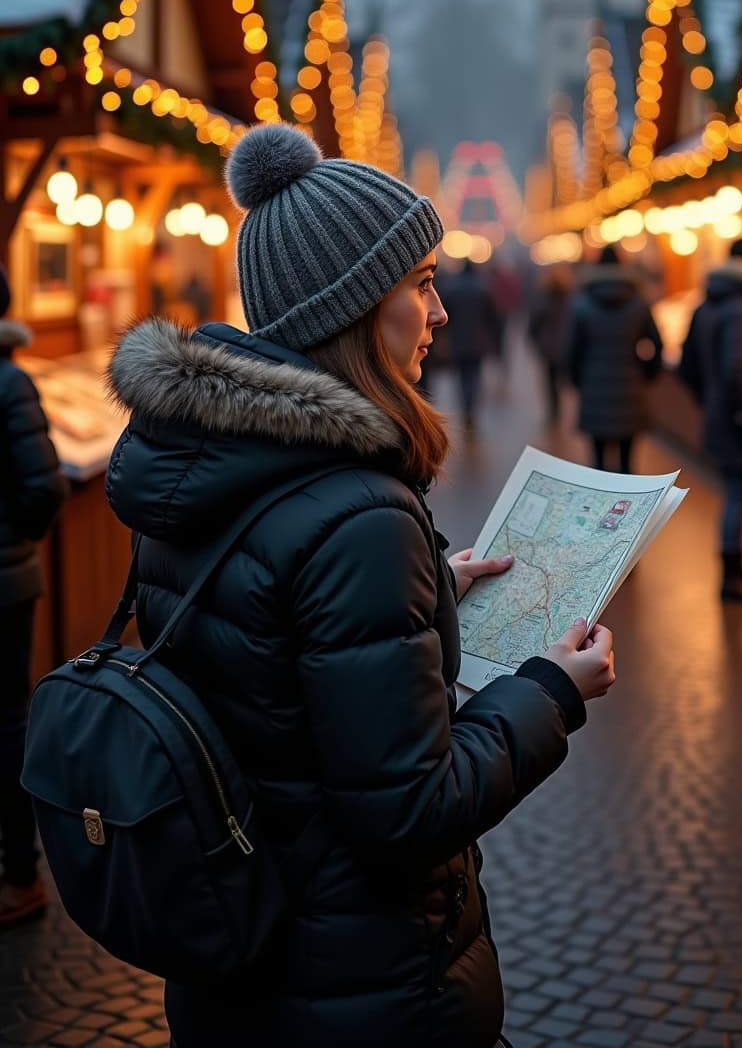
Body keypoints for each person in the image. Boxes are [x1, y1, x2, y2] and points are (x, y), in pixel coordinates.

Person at [105, 123, 616, 1048]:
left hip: (238, 960)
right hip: (362, 985)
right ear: (351, 309)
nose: (443, 310)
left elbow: (271, 665)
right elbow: (407, 811)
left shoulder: (204, 465)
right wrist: (550, 693)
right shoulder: (360, 512)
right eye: (420, 285)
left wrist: (425, 597)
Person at [0, 263, 66, 927]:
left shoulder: (9, 380)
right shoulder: (11, 379)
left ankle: (21, 871)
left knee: (6, 724)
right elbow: (41, 486)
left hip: (6, 581)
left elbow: (40, 489)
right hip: (10, 577)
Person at [679, 236, 742, 602]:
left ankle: (737, 569)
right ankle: (732, 577)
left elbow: (688, 365)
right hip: (741, 421)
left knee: (735, 495)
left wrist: (710, 401)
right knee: (740, 497)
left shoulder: (707, 304)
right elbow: (738, 368)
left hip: (721, 416)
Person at [565, 246, 662, 474]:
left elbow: (572, 350)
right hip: (631, 385)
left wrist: (579, 380)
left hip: (594, 385)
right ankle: (628, 508)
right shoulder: (638, 303)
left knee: (597, 463)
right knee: (628, 462)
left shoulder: (582, 304)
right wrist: (647, 372)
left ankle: (600, 506)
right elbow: (656, 343)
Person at [439, 257, 500, 432]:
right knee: (474, 375)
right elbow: (492, 317)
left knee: (461, 376)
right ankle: (471, 407)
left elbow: (444, 317)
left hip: (457, 340)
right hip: (478, 341)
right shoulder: (483, 288)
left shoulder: (452, 288)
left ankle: (466, 406)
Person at [527, 265, 572, 425]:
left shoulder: (542, 298)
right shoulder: (570, 298)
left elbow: (533, 324)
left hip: (547, 347)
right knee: (563, 379)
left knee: (549, 381)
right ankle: (559, 409)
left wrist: (536, 342)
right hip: (565, 345)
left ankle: (554, 411)